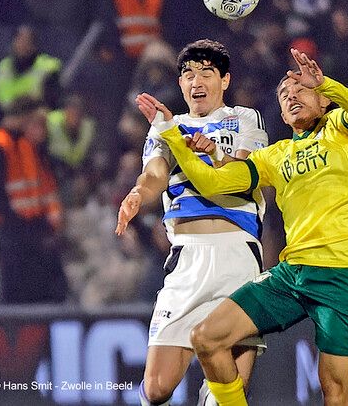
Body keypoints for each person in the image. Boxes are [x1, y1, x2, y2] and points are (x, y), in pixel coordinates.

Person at [135, 48, 348, 406]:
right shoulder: (274, 156)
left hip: (341, 274)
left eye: (301, 90)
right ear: (280, 112)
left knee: (335, 392)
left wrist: (329, 85)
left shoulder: (343, 130)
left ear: (324, 102)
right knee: (206, 338)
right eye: (284, 95)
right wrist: (174, 139)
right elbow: (216, 183)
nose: (292, 96)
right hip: (292, 273)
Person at [114, 40, 268, 406]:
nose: (196, 81)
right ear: (181, 84)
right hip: (187, 258)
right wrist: (137, 193)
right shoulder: (168, 126)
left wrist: (211, 151)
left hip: (237, 255)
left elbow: (241, 172)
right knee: (155, 389)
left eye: (206, 72)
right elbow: (154, 174)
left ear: (225, 80)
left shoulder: (245, 118)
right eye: (188, 74)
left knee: (228, 394)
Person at [0, 98, 66, 303]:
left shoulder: (24, 144)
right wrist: (15, 227)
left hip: (31, 228)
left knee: (36, 287)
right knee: (14, 290)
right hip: (11, 230)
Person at [0, 25, 62, 119]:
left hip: (38, 124)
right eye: (19, 40)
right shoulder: (3, 68)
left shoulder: (48, 68)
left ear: (34, 45)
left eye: (27, 41)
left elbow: (52, 106)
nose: (23, 45)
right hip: (9, 123)